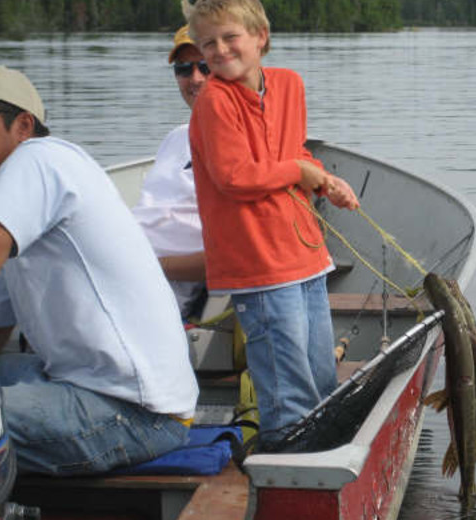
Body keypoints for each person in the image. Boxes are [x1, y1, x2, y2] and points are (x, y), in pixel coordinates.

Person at [0, 66, 199, 475]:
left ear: (22, 125)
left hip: (137, 414)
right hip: (83, 385)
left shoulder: (40, 158)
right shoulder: (16, 206)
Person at [186, 0, 359, 449]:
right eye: (208, 43)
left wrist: (325, 181)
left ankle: (321, 451)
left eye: (230, 37)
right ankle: (289, 463)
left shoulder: (289, 85)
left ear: (260, 35)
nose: (219, 50)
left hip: (306, 255)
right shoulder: (213, 102)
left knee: (320, 373)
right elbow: (235, 176)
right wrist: (300, 174)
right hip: (258, 266)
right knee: (286, 386)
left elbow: (293, 152)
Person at [131, 25, 209, 319]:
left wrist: (146, 264)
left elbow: (232, 258)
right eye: (184, 69)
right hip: (119, 259)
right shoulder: (176, 137)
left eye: (205, 66)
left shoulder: (239, 147)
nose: (195, 78)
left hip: (150, 295)